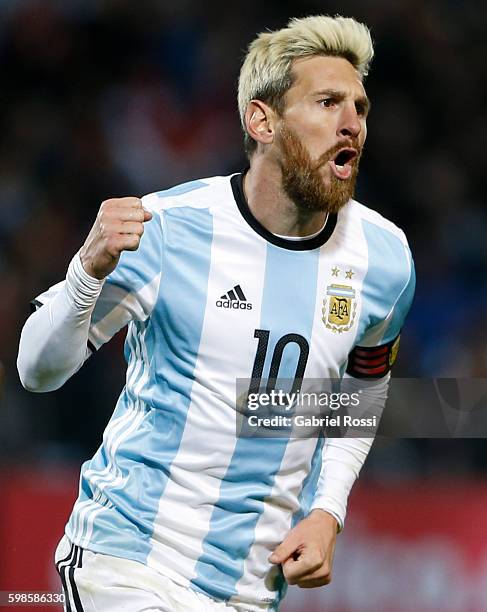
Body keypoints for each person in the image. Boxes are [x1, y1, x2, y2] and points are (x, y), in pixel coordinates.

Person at [17, 14, 415, 612]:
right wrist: (86, 270)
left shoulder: (385, 261)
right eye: (327, 101)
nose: (351, 123)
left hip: (250, 592)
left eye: (359, 106)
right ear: (262, 120)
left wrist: (328, 511)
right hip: (126, 565)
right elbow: (35, 370)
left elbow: (362, 389)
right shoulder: (166, 229)